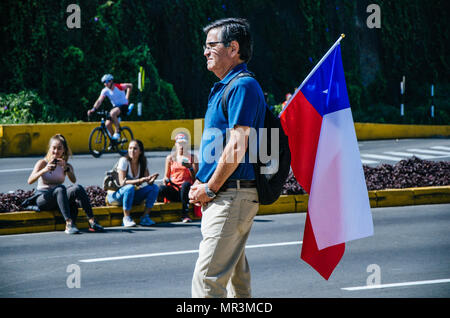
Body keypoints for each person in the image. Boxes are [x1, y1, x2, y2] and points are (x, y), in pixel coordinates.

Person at [188, 18, 266, 298]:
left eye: (211, 45)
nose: (205, 51)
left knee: (207, 282)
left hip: (229, 196)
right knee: (236, 282)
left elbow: (237, 145)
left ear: (233, 48)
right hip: (228, 195)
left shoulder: (241, 86)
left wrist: (209, 187)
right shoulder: (227, 86)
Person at [27, 134, 104, 234]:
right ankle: (69, 223)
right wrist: (44, 170)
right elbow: (30, 181)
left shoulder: (66, 165)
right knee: (60, 188)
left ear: (64, 150)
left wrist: (66, 169)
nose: (56, 151)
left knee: (78, 188)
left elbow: (73, 180)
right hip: (43, 197)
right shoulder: (42, 163)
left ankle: (92, 221)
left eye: (59, 148)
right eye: (54, 148)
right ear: (49, 149)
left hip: (59, 197)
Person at [106, 139, 159, 227]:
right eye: (130, 148)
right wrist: (140, 180)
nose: (132, 151)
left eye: (135, 148)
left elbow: (148, 182)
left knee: (154, 188)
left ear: (140, 151)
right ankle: (126, 218)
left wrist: (152, 179)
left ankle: (145, 217)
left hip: (130, 194)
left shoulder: (143, 162)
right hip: (115, 195)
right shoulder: (124, 160)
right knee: (129, 187)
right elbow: (122, 182)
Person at [158, 133, 199, 223]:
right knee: (160, 188)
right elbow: (166, 176)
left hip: (187, 189)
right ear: (176, 144)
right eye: (179, 143)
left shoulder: (192, 157)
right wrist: (165, 180)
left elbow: (196, 179)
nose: (181, 146)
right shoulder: (170, 158)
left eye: (184, 144)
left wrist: (190, 168)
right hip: (175, 189)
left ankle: (185, 214)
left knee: (185, 185)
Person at [87, 74, 133, 140]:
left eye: (107, 81)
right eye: (104, 82)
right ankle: (114, 141)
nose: (106, 84)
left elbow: (130, 85)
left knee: (112, 113)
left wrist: (127, 97)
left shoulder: (119, 86)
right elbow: (99, 100)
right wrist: (93, 109)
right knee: (107, 124)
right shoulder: (105, 91)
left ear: (111, 81)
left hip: (124, 106)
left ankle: (117, 131)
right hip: (116, 107)